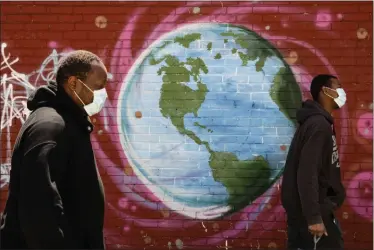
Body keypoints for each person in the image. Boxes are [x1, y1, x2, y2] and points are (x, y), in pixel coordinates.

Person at [0, 50, 108, 249]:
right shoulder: (50, 126)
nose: (102, 94)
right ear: (74, 82)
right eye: (98, 87)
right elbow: (38, 205)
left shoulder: (69, 121)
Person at [281, 74, 346, 250]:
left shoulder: (319, 123)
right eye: (338, 87)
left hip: (314, 212)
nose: (342, 92)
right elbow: (307, 172)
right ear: (325, 91)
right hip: (313, 215)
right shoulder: (318, 125)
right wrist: (314, 218)